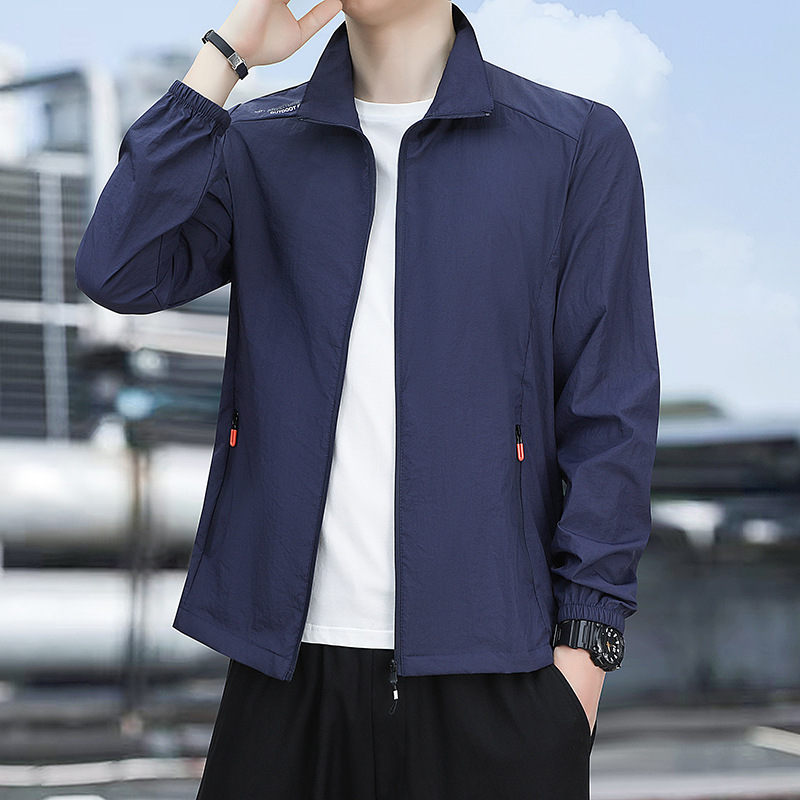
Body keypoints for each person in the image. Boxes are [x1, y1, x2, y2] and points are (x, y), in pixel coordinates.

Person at [75, 0, 661, 797]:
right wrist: (227, 53)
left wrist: (581, 665)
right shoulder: (258, 142)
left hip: (499, 675)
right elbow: (117, 268)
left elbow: (611, 417)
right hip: (285, 677)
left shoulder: (571, 144)